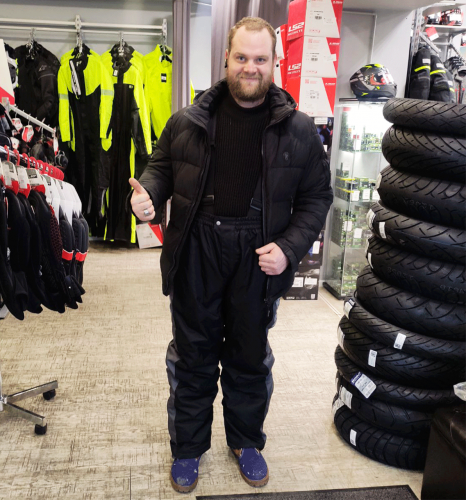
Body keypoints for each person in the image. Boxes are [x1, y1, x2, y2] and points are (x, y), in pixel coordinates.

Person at [129, 17, 333, 494]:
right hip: (197, 249)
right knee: (193, 357)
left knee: (248, 357)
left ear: (274, 62)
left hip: (258, 255)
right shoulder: (188, 120)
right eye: (241, 57)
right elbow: (160, 168)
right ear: (226, 58)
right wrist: (148, 196)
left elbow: (316, 198)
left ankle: (246, 441)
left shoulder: (299, 129)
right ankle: (187, 448)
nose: (250, 67)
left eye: (260, 59)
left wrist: (289, 249)